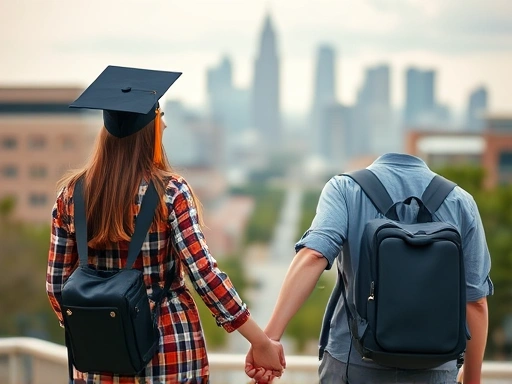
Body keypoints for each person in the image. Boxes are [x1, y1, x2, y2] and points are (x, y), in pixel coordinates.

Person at [46, 65, 284, 384]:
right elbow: (204, 275)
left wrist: (102, 329)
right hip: (169, 353)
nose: (166, 124)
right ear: (150, 131)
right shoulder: (170, 192)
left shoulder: (70, 196)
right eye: (161, 119)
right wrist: (259, 341)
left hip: (97, 365)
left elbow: (55, 286)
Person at [246, 152, 493, 384]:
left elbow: (313, 256)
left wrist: (269, 338)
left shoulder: (345, 189)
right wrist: (471, 379)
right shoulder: (461, 202)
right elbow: (476, 303)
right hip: (435, 368)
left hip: (353, 363)